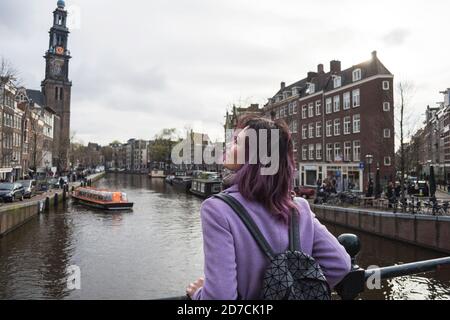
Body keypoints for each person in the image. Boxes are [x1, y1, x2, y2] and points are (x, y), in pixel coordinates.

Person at [187, 116, 351, 300]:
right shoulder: (299, 208)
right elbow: (340, 263)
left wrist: (198, 294)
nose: (228, 147)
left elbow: (220, 297)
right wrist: (300, 289)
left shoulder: (217, 210)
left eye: (236, 142)